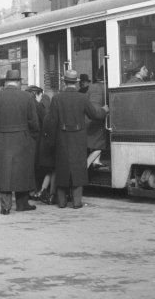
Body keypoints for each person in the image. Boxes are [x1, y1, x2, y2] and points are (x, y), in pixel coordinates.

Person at [44, 69, 108, 209]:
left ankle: (61, 202)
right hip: (78, 138)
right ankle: (77, 202)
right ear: (76, 82)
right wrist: (104, 110)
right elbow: (95, 115)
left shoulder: (57, 99)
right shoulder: (82, 98)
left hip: (62, 137)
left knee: (62, 168)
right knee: (78, 170)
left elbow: (51, 122)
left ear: (64, 82)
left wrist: (52, 142)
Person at [0, 69, 39, 215]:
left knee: (4, 172)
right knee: (22, 171)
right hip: (23, 138)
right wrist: (32, 137)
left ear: (5, 82)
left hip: (2, 138)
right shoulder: (27, 97)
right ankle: (22, 204)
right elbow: (34, 122)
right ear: (19, 82)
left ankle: (5, 206)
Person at [86, 78, 108, 169]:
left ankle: (96, 161)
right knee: (98, 146)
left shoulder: (90, 87)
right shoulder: (103, 87)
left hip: (88, 118)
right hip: (97, 118)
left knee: (94, 144)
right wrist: (105, 110)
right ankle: (85, 166)